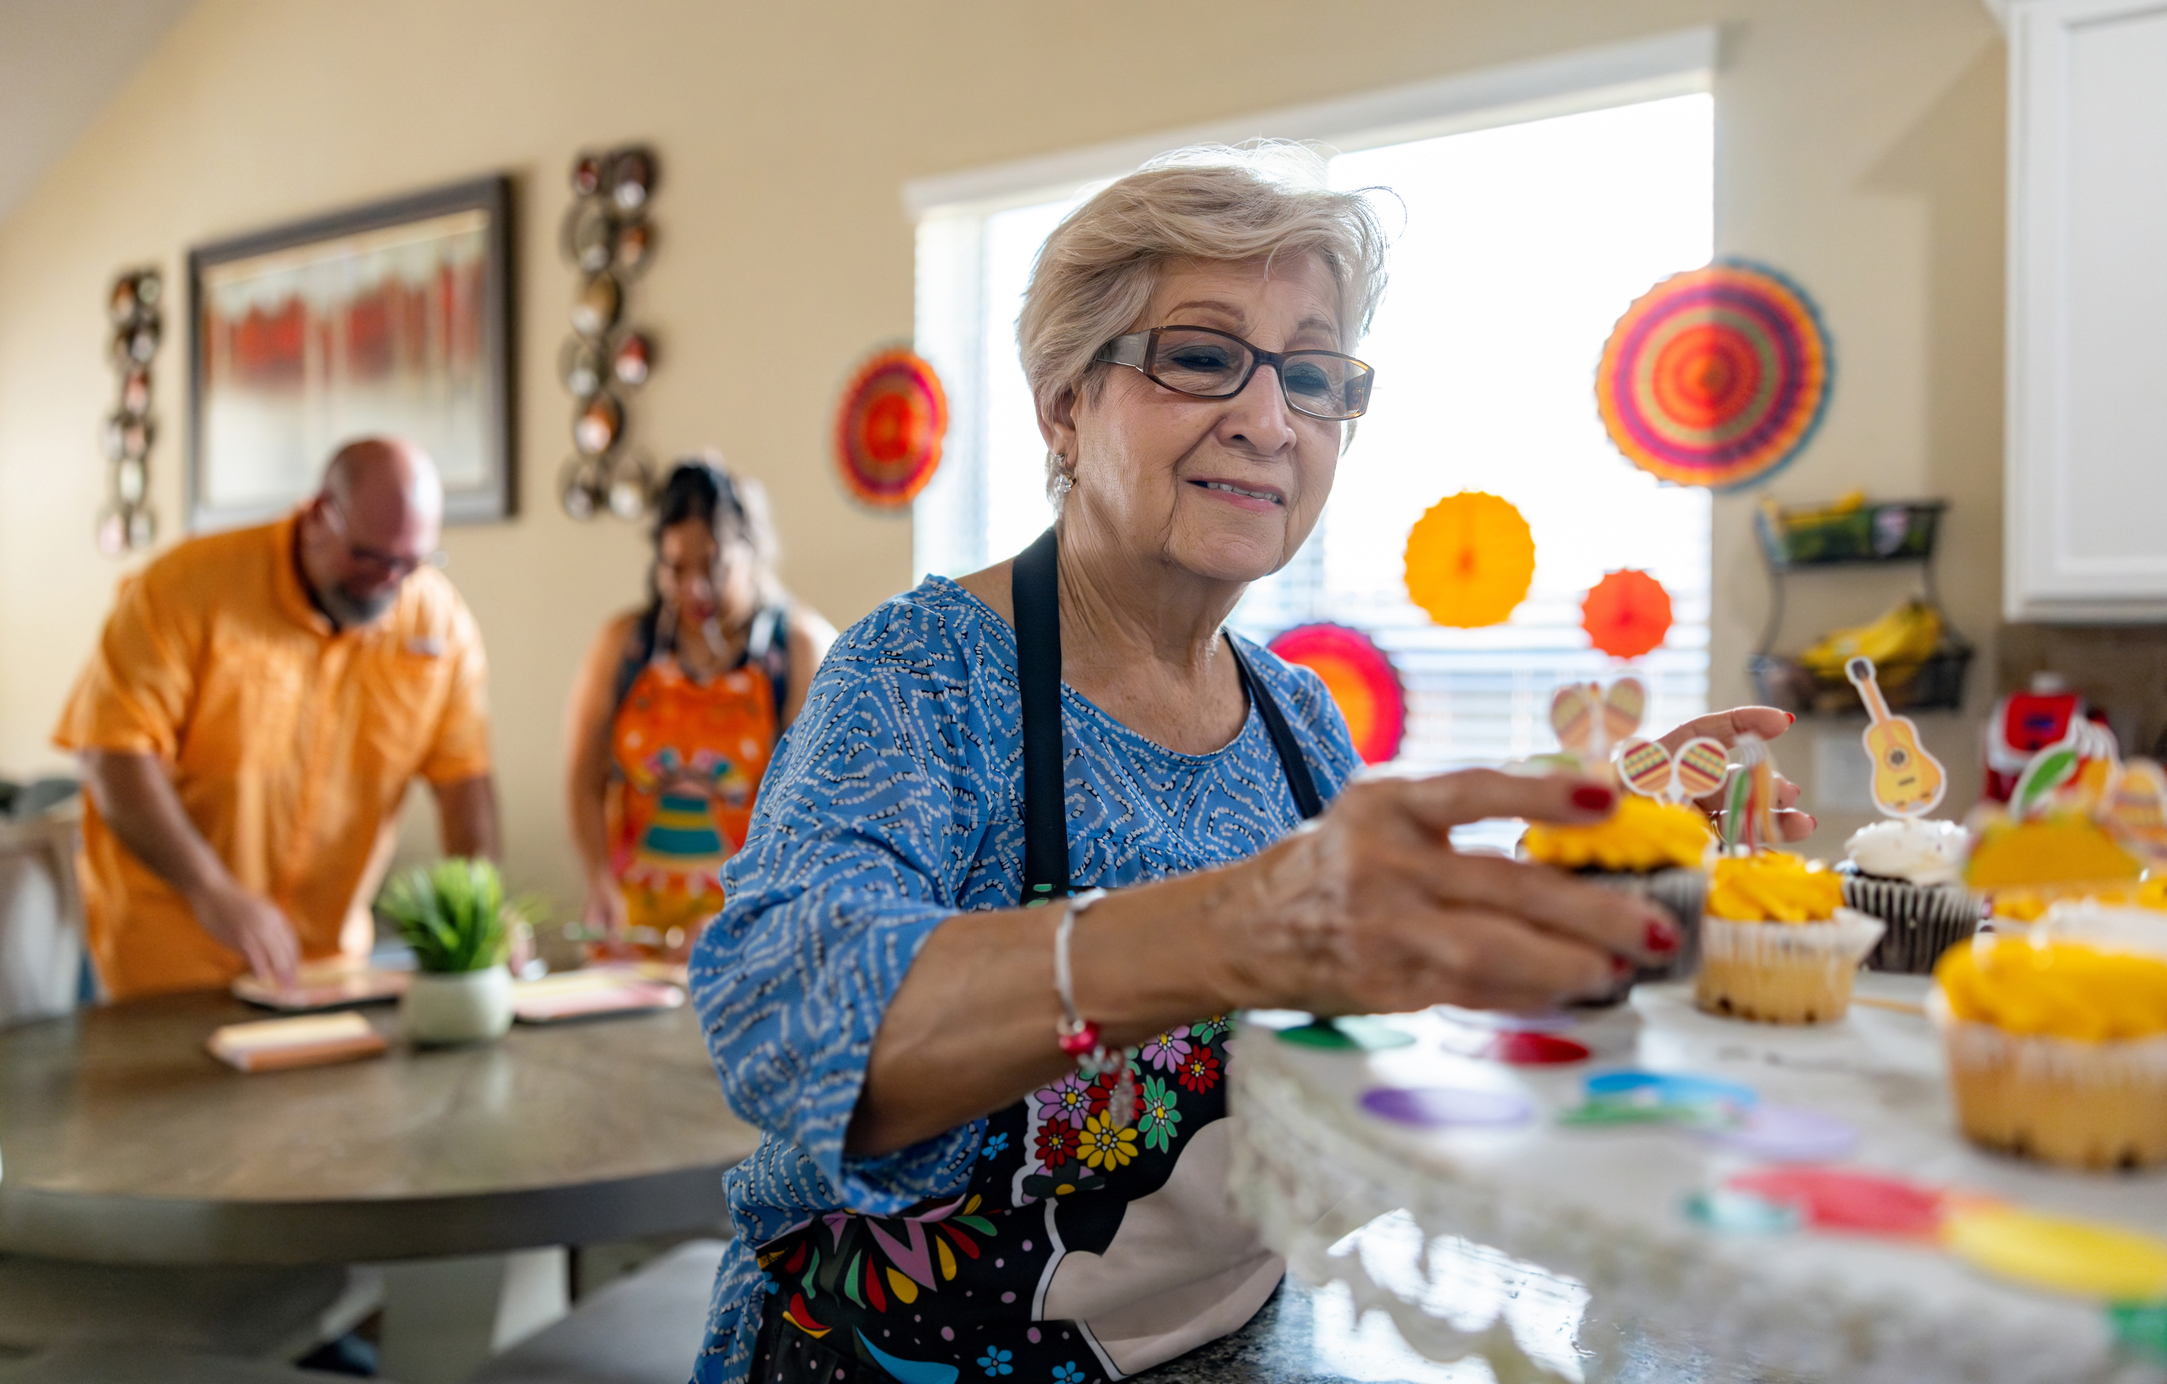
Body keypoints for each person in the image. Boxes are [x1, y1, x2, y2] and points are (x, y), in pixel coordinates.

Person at [689, 147, 1813, 1384]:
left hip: (1233, 1346)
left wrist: (1590, 854)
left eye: (1314, 375)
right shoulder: (922, 676)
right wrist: (1226, 929)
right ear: (1065, 401)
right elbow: (783, 1022)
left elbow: (1361, 1002)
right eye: (1202, 356)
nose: (1271, 421)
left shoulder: (1295, 716)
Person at [55, 437, 500, 1000]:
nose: (389, 580)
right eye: (368, 557)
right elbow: (112, 754)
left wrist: (485, 911)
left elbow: (465, 784)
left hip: (330, 967)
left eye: (410, 564)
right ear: (320, 515)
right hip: (169, 964)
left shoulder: (439, 626)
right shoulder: (184, 588)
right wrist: (211, 888)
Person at [563, 458, 834, 961]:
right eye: (675, 568)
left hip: (751, 933)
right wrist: (598, 882)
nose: (694, 589)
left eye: (713, 566)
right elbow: (584, 780)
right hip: (633, 933)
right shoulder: (624, 647)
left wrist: (743, 913)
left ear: (753, 554)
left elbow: (815, 817)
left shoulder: (799, 650)